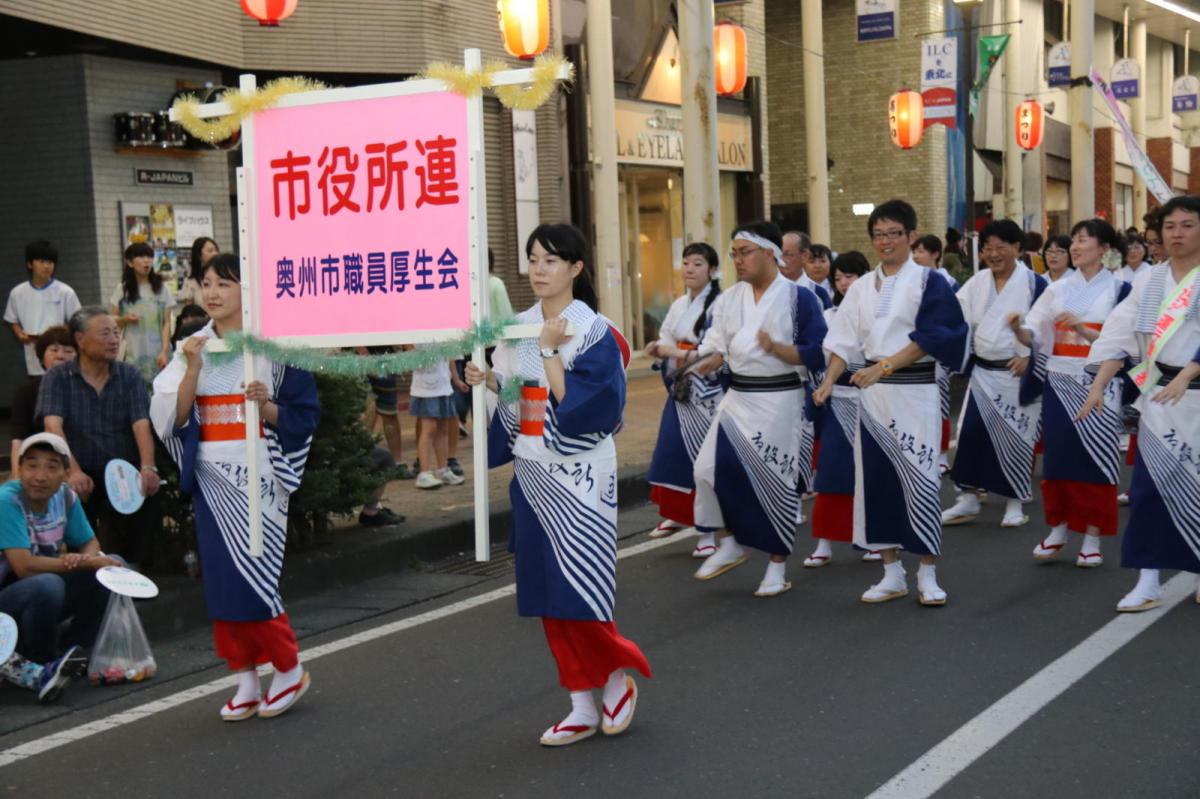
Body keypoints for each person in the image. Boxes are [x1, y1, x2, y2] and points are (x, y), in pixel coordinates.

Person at [464, 223, 650, 747]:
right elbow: (518, 397)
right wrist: (490, 382)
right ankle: (579, 702)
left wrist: (548, 353)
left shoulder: (596, 331)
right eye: (533, 259)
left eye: (551, 260)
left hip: (581, 476)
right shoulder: (517, 326)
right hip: (533, 470)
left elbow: (587, 408)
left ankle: (614, 678)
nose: (539, 269)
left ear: (576, 268)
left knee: (582, 586)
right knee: (546, 590)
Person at [151, 253, 320, 721]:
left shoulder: (276, 348)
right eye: (206, 283)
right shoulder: (195, 345)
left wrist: (265, 406)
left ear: (249, 289)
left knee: (256, 578)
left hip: (259, 474)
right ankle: (244, 675)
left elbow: (303, 417)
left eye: (224, 283)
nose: (212, 292)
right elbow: (173, 417)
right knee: (221, 582)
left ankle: (287, 667)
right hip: (212, 475)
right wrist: (190, 370)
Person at [815, 199, 969, 606]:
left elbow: (936, 336)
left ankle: (928, 573)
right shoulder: (862, 286)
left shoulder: (929, 281)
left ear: (911, 236)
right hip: (873, 396)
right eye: (878, 235)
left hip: (914, 392)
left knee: (919, 479)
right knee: (876, 482)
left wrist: (883, 367)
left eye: (894, 233)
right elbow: (843, 340)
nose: (885, 242)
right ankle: (891, 572)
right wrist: (829, 379)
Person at [689, 222, 827, 597]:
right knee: (708, 470)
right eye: (734, 253)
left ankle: (776, 565)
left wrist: (781, 351)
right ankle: (731, 541)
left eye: (744, 252)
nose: (738, 260)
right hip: (738, 398)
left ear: (770, 253)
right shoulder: (730, 299)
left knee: (777, 483)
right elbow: (716, 345)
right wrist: (702, 361)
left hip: (780, 399)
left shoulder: (800, 299)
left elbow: (818, 352)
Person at [1080, 195, 1200, 611]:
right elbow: (1122, 332)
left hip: (1198, 396)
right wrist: (1098, 382)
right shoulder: (1150, 280)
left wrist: (1190, 372)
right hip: (1159, 399)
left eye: (1187, 225)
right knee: (1150, 490)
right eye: (1170, 227)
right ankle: (1148, 580)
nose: (1177, 234)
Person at [1012, 218, 1130, 568]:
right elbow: (1034, 331)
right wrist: (1018, 331)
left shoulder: (1120, 289)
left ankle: (1092, 535)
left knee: (1097, 459)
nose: (1076, 247)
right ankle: (1058, 528)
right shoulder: (1057, 289)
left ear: (1104, 249)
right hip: (1060, 379)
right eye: (1074, 240)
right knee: (1060, 457)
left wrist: (1080, 327)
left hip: (1100, 380)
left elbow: (1121, 344)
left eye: (1083, 240)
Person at [941, 220, 1048, 528]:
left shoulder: (1035, 284)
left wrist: (1030, 357)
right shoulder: (976, 282)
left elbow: (1048, 329)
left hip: (1017, 374)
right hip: (984, 373)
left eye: (1002, 246)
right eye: (988, 247)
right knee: (971, 435)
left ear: (1018, 248)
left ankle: (1014, 501)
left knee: (1017, 436)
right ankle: (969, 498)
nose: (994, 253)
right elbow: (955, 317)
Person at [38, 307, 163, 567]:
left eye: (116, 333)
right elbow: (53, 427)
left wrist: (147, 467)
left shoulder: (129, 375)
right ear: (81, 340)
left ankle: (133, 570)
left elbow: (141, 424)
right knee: (70, 493)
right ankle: (84, 571)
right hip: (79, 468)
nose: (114, 340)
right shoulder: (58, 377)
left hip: (121, 470)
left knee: (146, 492)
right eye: (105, 333)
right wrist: (71, 471)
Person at [0, 433, 116, 680]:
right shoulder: (7, 500)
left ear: (65, 473)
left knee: (110, 570)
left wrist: (85, 559)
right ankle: (40, 660)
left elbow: (89, 542)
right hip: (7, 605)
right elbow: (24, 567)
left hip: (40, 593)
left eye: (51, 467)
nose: (40, 476)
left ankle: (74, 651)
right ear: (19, 469)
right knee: (48, 584)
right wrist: (76, 563)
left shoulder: (65, 496)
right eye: (31, 466)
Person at [644, 242, 724, 551]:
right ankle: (676, 514)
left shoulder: (720, 304)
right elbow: (665, 334)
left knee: (703, 462)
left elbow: (714, 350)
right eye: (686, 263)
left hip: (706, 392)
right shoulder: (679, 304)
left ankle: (707, 533)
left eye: (698, 264)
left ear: (712, 270)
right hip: (680, 389)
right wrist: (660, 348)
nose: (689, 269)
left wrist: (675, 351)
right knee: (672, 454)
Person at [805, 251, 881, 567]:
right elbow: (822, 354)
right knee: (833, 470)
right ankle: (824, 541)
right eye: (838, 278)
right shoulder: (828, 315)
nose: (844, 283)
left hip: (875, 398)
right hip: (839, 398)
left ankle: (876, 536)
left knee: (873, 472)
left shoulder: (881, 311)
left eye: (850, 276)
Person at [912, 234, 959, 473]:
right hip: (913, 352)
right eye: (915, 251)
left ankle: (941, 454)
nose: (917, 256)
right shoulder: (912, 280)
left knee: (939, 405)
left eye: (922, 251)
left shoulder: (947, 283)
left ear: (935, 254)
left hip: (938, 353)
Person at [5, 240, 81, 378]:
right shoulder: (17, 292)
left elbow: (77, 321)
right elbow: (12, 319)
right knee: (38, 392)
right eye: (41, 261)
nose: (47, 266)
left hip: (60, 356)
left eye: (50, 262)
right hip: (32, 357)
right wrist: (19, 333)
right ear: (29, 264)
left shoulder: (65, 291)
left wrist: (63, 332)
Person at [10, 326, 76, 467]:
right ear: (41, 357)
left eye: (68, 351)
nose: (60, 355)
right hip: (43, 464)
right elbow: (18, 440)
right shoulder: (26, 391)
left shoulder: (86, 388)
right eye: (53, 350)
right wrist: (16, 475)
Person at [110, 242, 174, 382]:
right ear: (130, 262)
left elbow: (166, 323)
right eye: (141, 256)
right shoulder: (122, 289)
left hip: (157, 353)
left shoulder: (162, 288)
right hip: (131, 352)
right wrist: (125, 319)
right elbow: (112, 320)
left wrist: (164, 351)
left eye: (150, 257)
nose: (147, 261)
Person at [410, 348, 467, 489]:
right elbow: (410, 352)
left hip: (443, 385)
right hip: (425, 386)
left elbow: (449, 355)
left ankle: (443, 469)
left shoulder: (443, 330)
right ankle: (424, 473)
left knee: (443, 429)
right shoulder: (413, 330)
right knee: (429, 429)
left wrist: (456, 379)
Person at [782, 231, 832, 308]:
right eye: (779, 254)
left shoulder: (818, 293)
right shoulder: (768, 290)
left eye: (788, 255)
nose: (782, 260)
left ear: (805, 256)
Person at [178, 237, 219, 309]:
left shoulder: (224, 277)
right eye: (210, 251)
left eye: (216, 250)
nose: (215, 253)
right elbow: (189, 310)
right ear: (199, 255)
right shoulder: (191, 282)